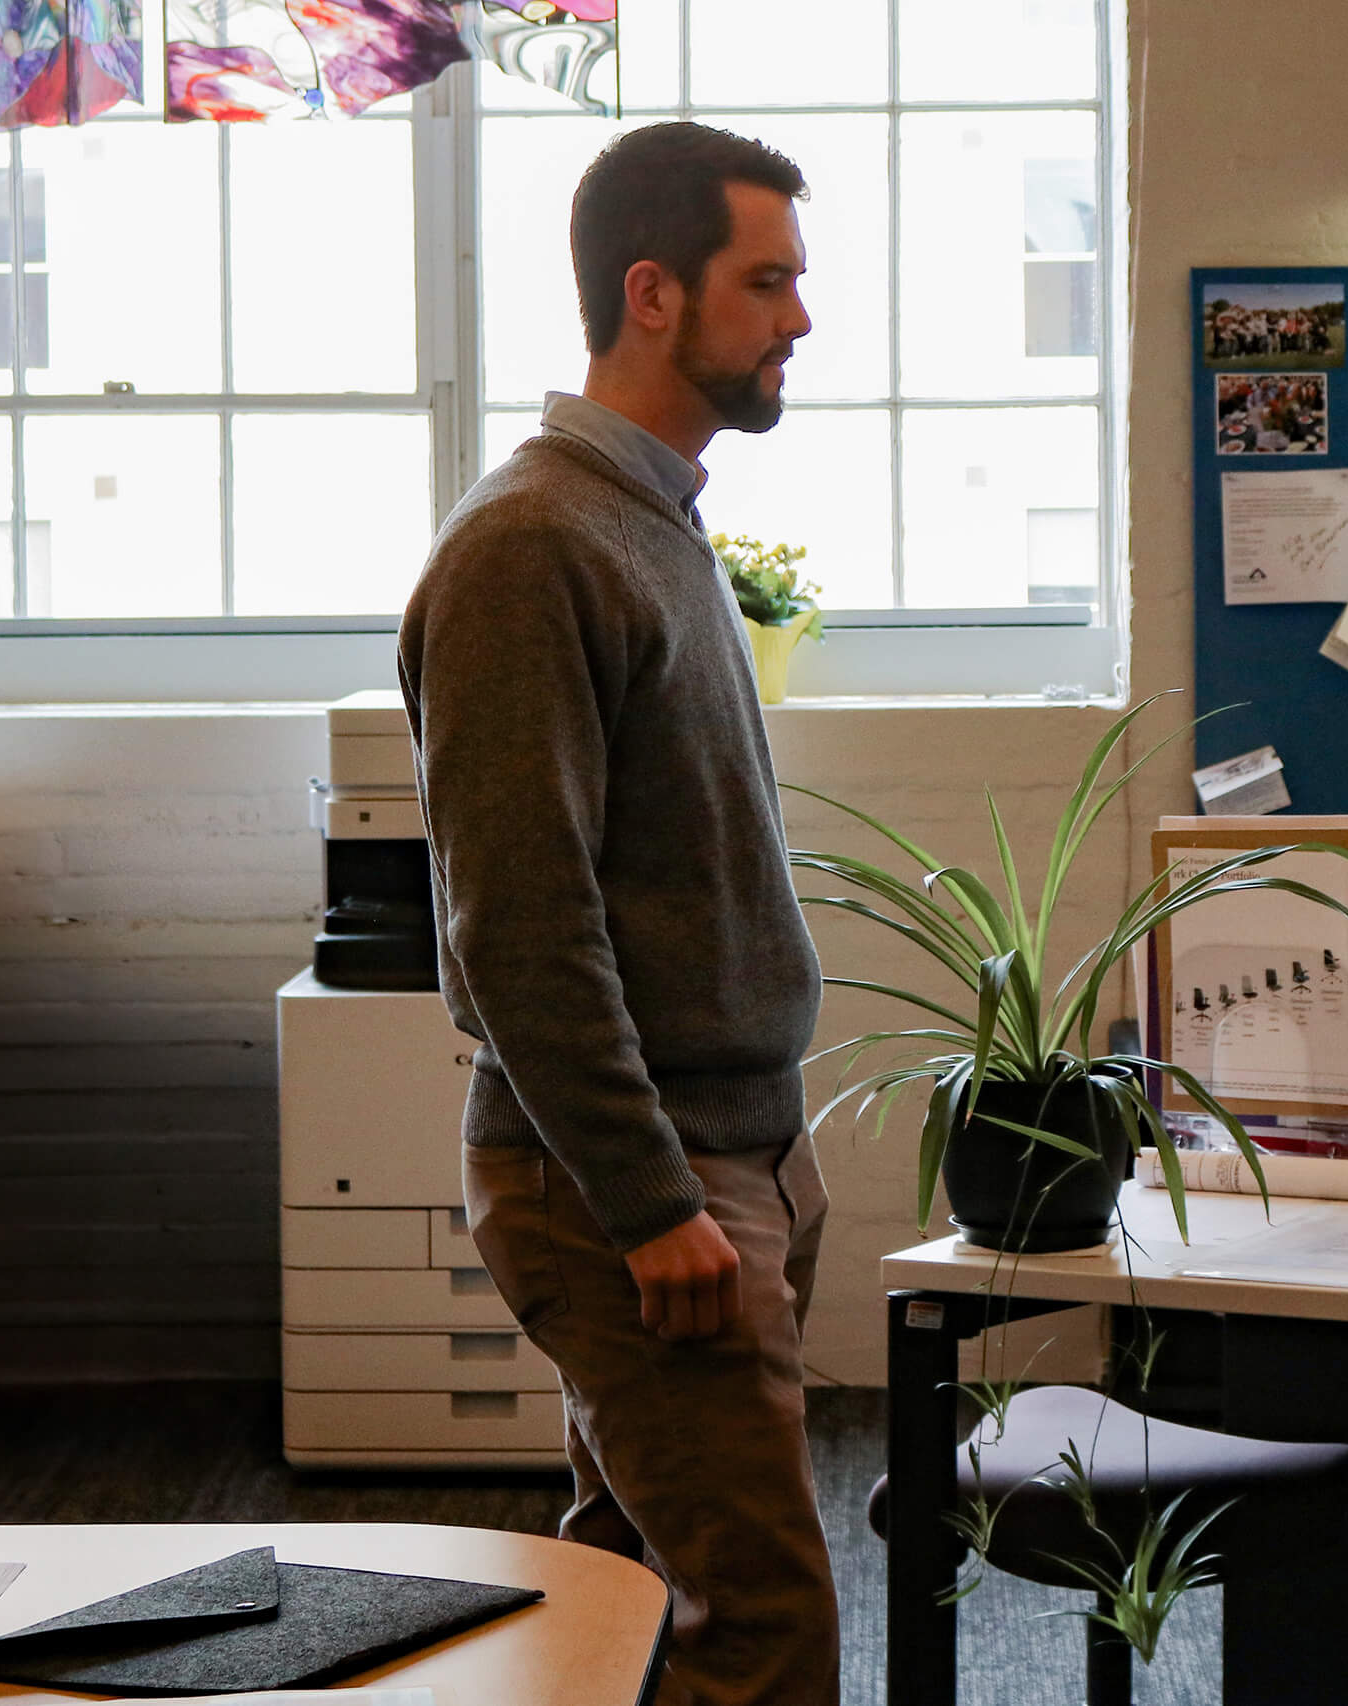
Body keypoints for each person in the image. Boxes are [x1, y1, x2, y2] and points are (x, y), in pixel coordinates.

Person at [397, 121, 836, 1706]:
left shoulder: (653, 517)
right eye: (766, 279)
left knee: (628, 1604)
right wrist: (655, 1201)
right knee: (766, 1628)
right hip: (638, 1180)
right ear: (653, 294)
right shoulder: (533, 544)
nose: (800, 318)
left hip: (729, 1148)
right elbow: (516, 925)